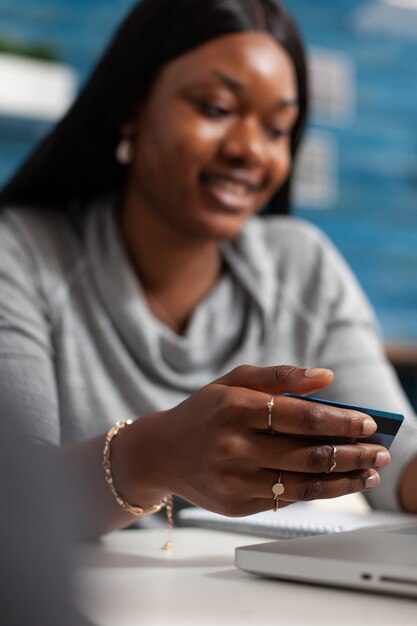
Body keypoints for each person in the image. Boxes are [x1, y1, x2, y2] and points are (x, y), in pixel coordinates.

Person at [0, 0, 416, 543]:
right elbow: (15, 496)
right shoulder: (21, 253)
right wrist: (151, 457)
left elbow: (399, 465)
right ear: (132, 106)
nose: (249, 150)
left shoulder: (300, 265)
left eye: (276, 129)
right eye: (216, 108)